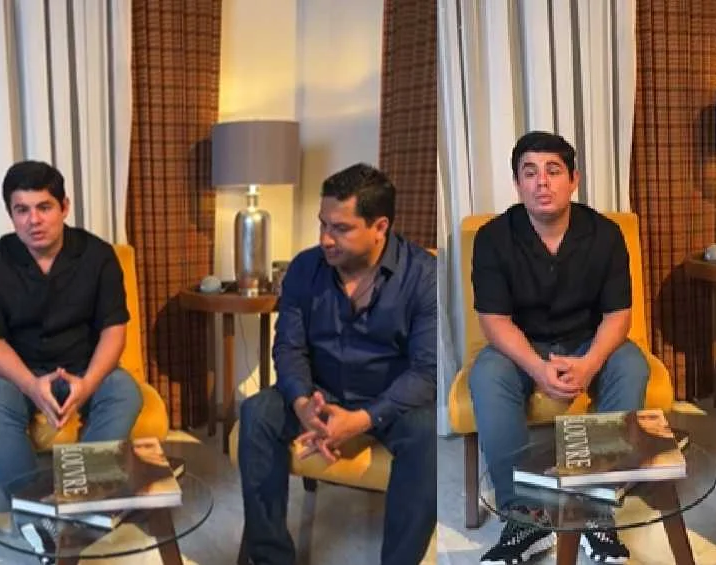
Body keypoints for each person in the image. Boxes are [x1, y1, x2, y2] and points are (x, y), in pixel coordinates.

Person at [237, 163, 437, 565]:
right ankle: (270, 558)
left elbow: (427, 370)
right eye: (323, 224)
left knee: (429, 434)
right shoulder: (304, 268)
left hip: (390, 400)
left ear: (380, 227)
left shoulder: (424, 275)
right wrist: (301, 403)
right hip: (320, 391)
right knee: (257, 412)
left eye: (341, 229)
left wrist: (362, 419)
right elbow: (289, 347)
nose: (325, 239)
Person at [470, 131, 650, 564]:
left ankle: (595, 508)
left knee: (631, 364)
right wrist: (536, 367)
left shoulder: (605, 234)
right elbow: (494, 320)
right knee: (487, 373)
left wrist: (589, 363)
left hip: (588, 338)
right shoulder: (493, 237)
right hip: (523, 343)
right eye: (529, 172)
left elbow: (618, 314)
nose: (541, 182)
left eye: (553, 171)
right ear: (517, 183)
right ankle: (525, 516)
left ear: (573, 179)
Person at [0, 160, 143, 496]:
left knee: (124, 392)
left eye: (44, 207)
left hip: (84, 367)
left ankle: (82, 498)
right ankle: (34, 506)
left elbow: (114, 330)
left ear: (64, 207)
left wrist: (88, 385)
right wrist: (31, 385)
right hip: (18, 373)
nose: (33, 220)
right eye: (22, 210)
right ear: (10, 214)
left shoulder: (99, 255)